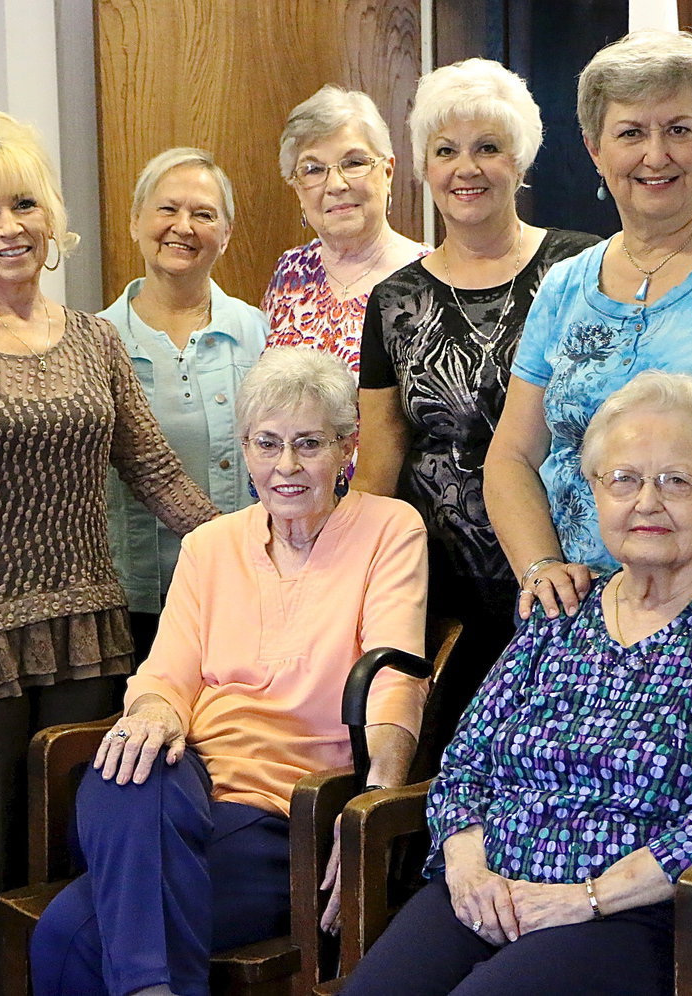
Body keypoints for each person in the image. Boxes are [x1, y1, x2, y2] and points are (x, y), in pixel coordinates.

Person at [0, 105, 219, 996]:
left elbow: (152, 469)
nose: (9, 229)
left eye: (23, 204)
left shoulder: (95, 339)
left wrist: (259, 537)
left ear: (51, 216)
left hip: (86, 632)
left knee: (75, 842)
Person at [343, 371, 692, 996]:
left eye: (675, 480)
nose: (646, 502)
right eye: (623, 479)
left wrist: (583, 900)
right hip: (494, 885)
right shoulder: (561, 608)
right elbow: (466, 764)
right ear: (594, 491)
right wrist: (466, 869)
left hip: (656, 916)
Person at [30, 347, 430, 996]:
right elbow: (165, 680)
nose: (287, 466)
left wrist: (370, 815)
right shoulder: (209, 547)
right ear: (244, 448)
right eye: (267, 444)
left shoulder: (389, 531)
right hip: (184, 788)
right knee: (128, 763)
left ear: (346, 445)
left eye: (309, 443)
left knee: (69, 935)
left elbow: (396, 680)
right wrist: (157, 716)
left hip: (286, 817)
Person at [485, 30, 692, 647]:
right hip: (575, 625)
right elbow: (511, 455)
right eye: (630, 133)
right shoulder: (564, 284)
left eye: (678, 129)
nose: (656, 154)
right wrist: (539, 570)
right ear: (594, 148)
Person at [355, 58, 599, 741]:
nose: (467, 168)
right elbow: (378, 465)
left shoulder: (583, 269)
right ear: (423, 168)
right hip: (441, 594)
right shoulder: (394, 299)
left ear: (520, 160)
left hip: (571, 577)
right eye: (446, 150)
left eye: (488, 147)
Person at [101, 148, 265, 662]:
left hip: (244, 591)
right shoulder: (94, 340)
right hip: (135, 602)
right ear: (135, 222)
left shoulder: (260, 331)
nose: (183, 227)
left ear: (227, 233)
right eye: (167, 209)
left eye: (204, 213)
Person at [265, 85, 428, 378]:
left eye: (353, 163)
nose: (336, 184)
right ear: (296, 186)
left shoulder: (429, 277)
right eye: (313, 169)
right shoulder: (290, 271)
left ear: (387, 172)